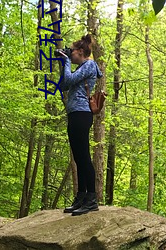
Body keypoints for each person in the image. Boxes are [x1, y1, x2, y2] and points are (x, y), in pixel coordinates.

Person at [58, 34, 103, 216]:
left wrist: (67, 61)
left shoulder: (90, 65)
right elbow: (64, 85)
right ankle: (82, 197)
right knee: (78, 157)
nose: (71, 54)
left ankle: (91, 199)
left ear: (81, 52)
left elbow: (68, 80)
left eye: (72, 51)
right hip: (74, 113)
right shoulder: (81, 68)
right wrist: (66, 63)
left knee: (83, 157)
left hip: (82, 114)